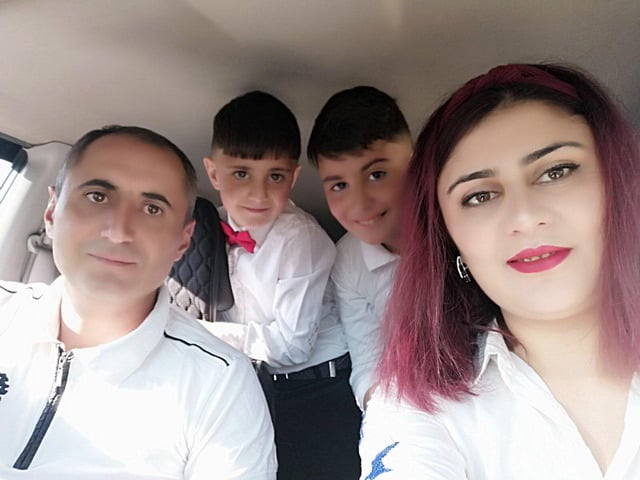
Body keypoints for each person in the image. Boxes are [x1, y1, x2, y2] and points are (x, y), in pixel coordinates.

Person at [358, 64, 640, 479]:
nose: (524, 218)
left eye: (556, 172)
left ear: (619, 184)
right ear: (450, 241)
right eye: (480, 196)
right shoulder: (415, 408)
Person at [0, 126, 277, 479]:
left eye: (152, 209)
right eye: (97, 196)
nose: (119, 231)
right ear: (52, 212)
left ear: (183, 241)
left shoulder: (220, 383)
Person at [202, 91, 361, 480]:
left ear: (293, 177)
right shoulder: (206, 226)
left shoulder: (298, 239)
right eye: (241, 173)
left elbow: (291, 347)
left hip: (317, 389)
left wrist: (205, 335)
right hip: (257, 384)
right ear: (214, 174)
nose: (258, 194)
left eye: (275, 176)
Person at [307, 86, 412, 410]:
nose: (360, 203)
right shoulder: (347, 261)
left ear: (414, 163)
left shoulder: (460, 230)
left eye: (377, 174)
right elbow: (369, 362)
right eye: (339, 185)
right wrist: (385, 415)